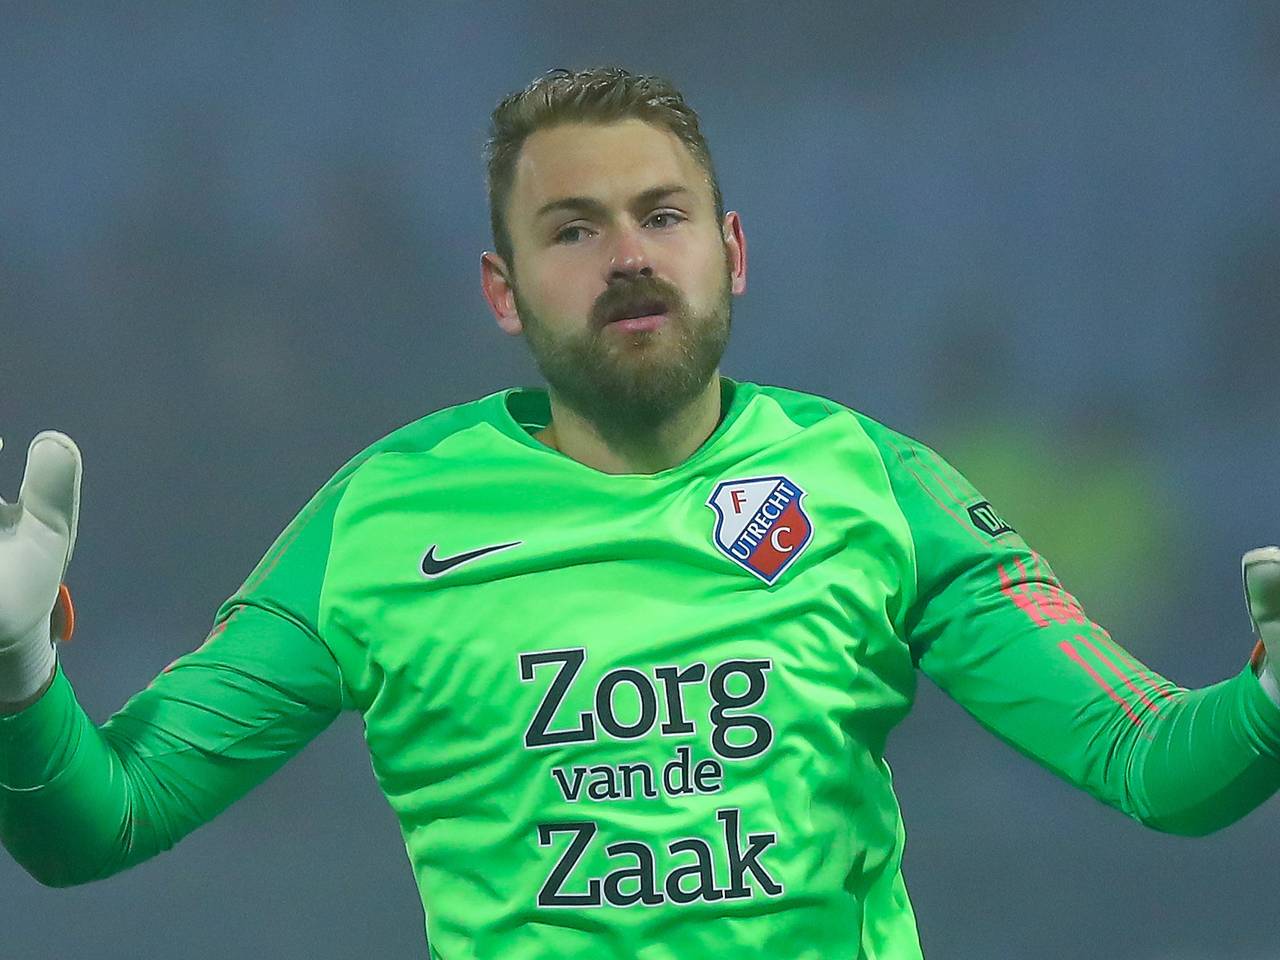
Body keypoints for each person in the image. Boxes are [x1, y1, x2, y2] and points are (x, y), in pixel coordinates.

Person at [2, 65, 1280, 960]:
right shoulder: (380, 521)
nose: (626, 256)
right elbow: (97, 823)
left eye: (659, 216)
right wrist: (17, 680)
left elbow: (1157, 767)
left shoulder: (871, 485)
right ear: (502, 292)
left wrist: (1270, 698)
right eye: (572, 229)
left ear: (729, 250)